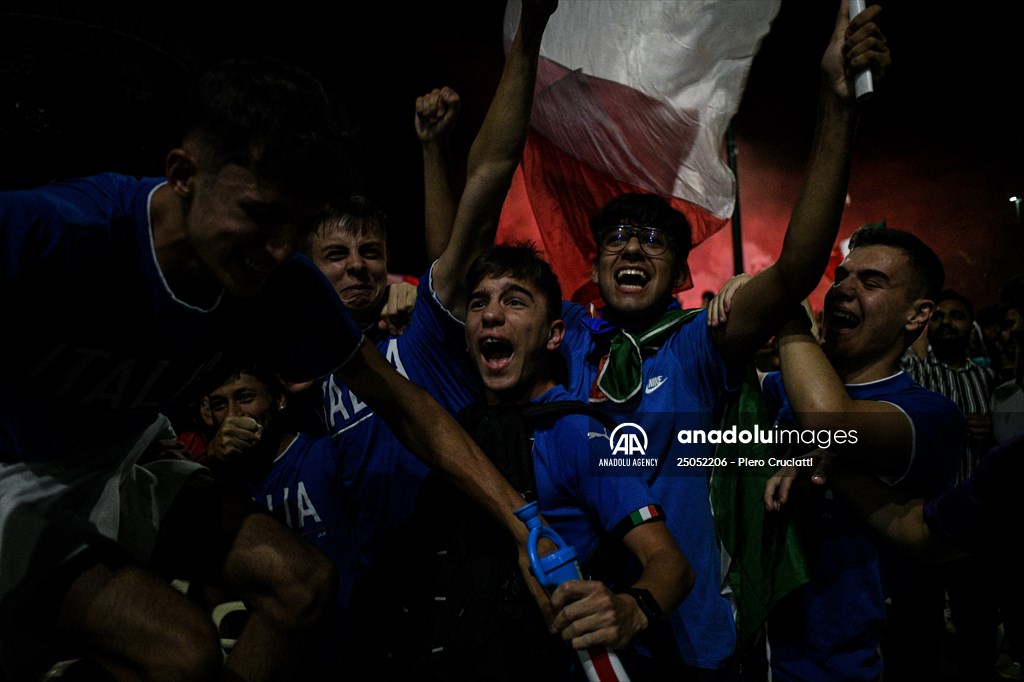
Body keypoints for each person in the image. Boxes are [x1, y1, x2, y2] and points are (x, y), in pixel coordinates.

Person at [0, 56, 537, 681]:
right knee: (182, 652)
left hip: (118, 460)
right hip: (15, 470)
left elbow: (403, 403)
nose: (280, 249)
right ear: (183, 175)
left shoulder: (280, 284)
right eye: (259, 214)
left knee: (302, 586)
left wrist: (524, 525)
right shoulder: (57, 232)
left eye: (299, 226)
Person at [553, 3, 891, 677]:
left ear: (680, 274)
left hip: (696, 636)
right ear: (592, 269)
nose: (632, 249)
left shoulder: (695, 347)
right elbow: (457, 282)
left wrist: (836, 107)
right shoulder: (565, 346)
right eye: (616, 239)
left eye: (654, 242)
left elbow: (796, 269)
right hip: (587, 631)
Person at [309, 0, 555, 619]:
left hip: (450, 603)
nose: (358, 265)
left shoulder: (416, 346)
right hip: (352, 617)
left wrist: (528, 35)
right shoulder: (297, 374)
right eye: (335, 254)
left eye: (371, 251)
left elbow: (486, 186)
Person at [377, 243, 694, 680]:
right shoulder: (460, 421)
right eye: (479, 303)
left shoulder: (577, 434)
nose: (491, 314)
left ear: (553, 334)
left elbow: (671, 564)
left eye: (514, 301)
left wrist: (630, 609)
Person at [756, 224, 965, 681]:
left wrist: (789, 313)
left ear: (917, 314)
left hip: (837, 669)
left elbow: (829, 420)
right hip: (744, 658)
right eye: (841, 277)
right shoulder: (781, 391)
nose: (842, 291)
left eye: (871, 282)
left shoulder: (929, 415)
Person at [890, 288, 999, 681]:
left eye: (956, 316)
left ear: (970, 326)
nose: (946, 323)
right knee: (917, 628)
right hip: (924, 517)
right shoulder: (914, 374)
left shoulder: (988, 379)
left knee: (977, 624)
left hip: (976, 523)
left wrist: (994, 429)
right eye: (939, 316)